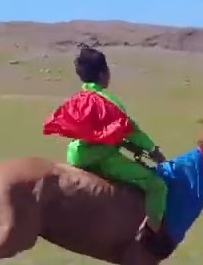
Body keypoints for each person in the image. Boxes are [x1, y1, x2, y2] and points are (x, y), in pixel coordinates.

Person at [43, 45, 169, 243]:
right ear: (103, 74)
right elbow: (130, 130)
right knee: (157, 186)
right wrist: (153, 151)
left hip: (75, 154)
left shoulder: (77, 99)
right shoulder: (108, 100)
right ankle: (152, 235)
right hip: (102, 157)